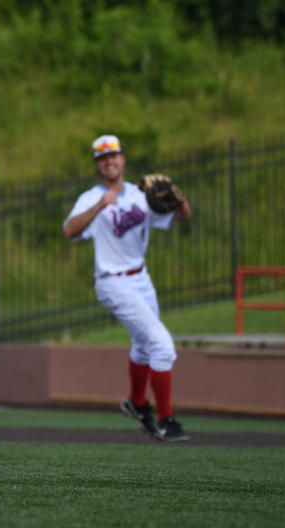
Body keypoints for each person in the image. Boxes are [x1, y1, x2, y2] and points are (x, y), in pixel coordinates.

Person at [63, 134, 193, 442]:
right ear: (97, 164)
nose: (109, 161)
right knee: (162, 345)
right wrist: (98, 206)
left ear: (123, 159)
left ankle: (136, 403)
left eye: (114, 155)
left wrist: (179, 197)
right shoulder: (90, 198)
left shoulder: (140, 194)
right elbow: (69, 231)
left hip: (141, 279)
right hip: (113, 282)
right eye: (102, 157)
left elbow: (182, 217)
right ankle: (165, 421)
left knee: (144, 345)